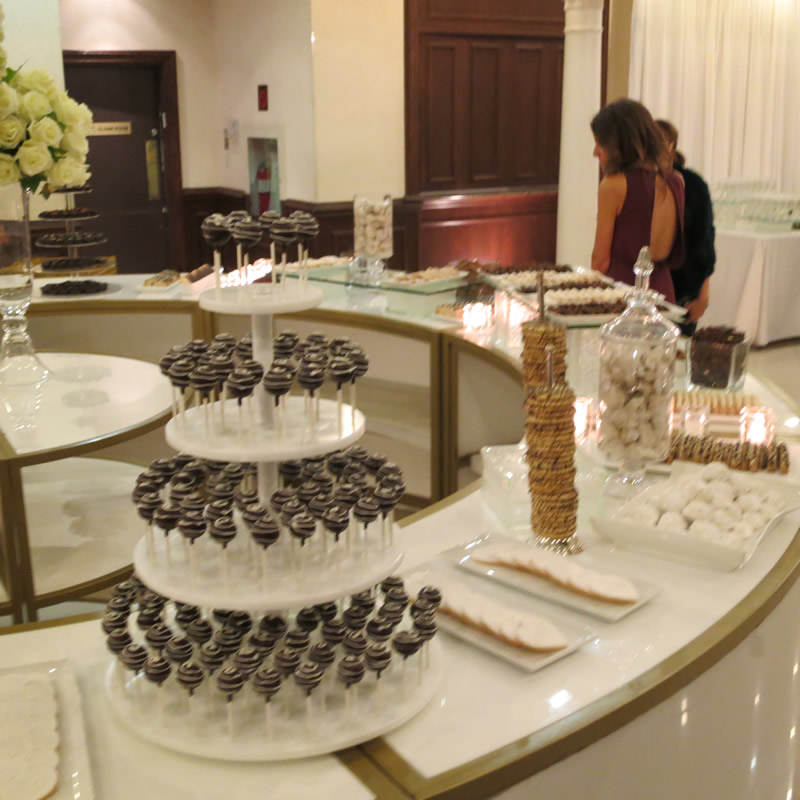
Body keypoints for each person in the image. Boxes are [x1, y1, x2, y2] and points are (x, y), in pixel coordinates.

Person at [590, 99, 685, 304]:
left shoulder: (613, 185)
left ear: (618, 145)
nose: (595, 152)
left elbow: (600, 260)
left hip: (622, 293)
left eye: (600, 143)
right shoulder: (676, 181)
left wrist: (588, 297)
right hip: (664, 293)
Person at [655, 119, 715, 334]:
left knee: (677, 350)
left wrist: (703, 296)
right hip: (641, 288)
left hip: (684, 290)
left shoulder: (693, 184)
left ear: (671, 145)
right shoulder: (635, 183)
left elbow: (705, 241)